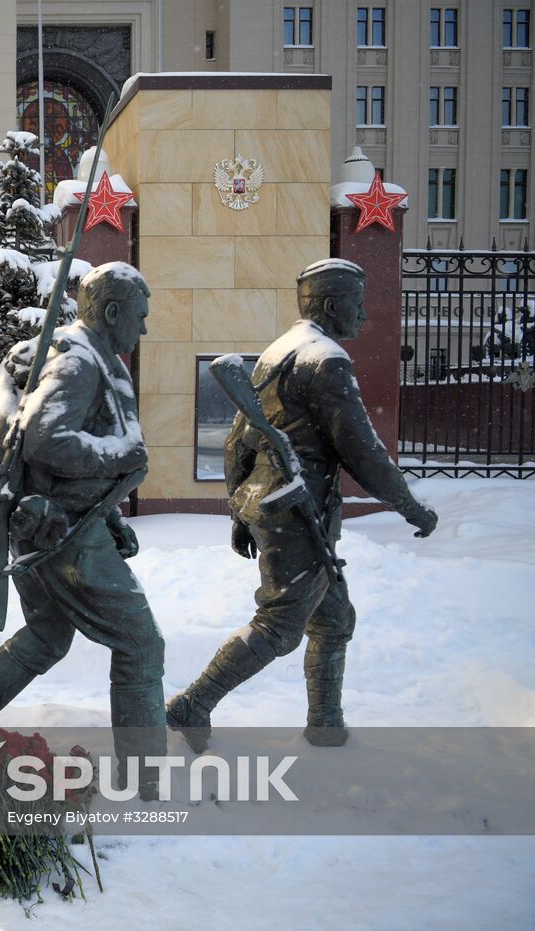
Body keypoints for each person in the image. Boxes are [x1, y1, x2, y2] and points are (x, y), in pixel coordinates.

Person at [166, 258, 438, 750]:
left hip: (281, 506)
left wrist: (238, 509)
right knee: (279, 625)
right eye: (358, 305)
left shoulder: (279, 354)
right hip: (297, 512)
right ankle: (193, 703)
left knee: (334, 620)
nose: (364, 317)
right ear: (332, 305)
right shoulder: (325, 359)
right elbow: (363, 450)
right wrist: (411, 506)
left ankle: (326, 723)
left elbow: (237, 443)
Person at [0, 261, 165, 792]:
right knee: (141, 643)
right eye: (138, 318)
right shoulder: (79, 363)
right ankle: (149, 782)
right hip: (63, 532)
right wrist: (122, 455)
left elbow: (59, 446)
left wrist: (112, 513)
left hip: (53, 523)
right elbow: (47, 441)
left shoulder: (86, 357)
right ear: (113, 311)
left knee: (48, 635)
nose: (142, 330)